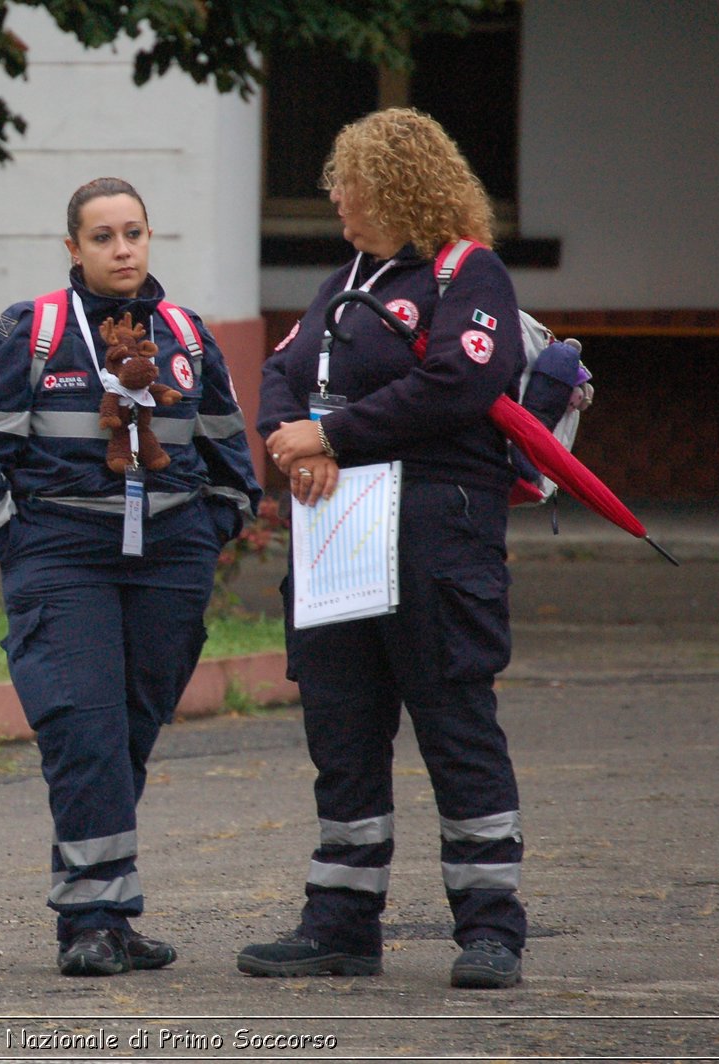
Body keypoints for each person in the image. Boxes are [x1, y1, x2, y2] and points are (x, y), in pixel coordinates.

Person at [0, 177, 261, 977]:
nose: (123, 249)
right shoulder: (30, 332)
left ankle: (108, 908)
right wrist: (17, 546)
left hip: (170, 563)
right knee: (84, 731)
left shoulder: (187, 335)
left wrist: (208, 532)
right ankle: (90, 919)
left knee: (127, 733)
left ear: (150, 239)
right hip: (61, 557)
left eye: (135, 233)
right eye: (104, 236)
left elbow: (228, 453)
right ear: (74, 248)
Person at [236, 108, 528, 989]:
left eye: (348, 179)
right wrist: (293, 432)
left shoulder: (466, 274)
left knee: (454, 722)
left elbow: (460, 382)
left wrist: (336, 440)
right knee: (343, 726)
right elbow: (282, 371)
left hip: (438, 533)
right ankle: (340, 924)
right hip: (338, 538)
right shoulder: (345, 280)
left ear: (397, 184)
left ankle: (489, 931)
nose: (334, 195)